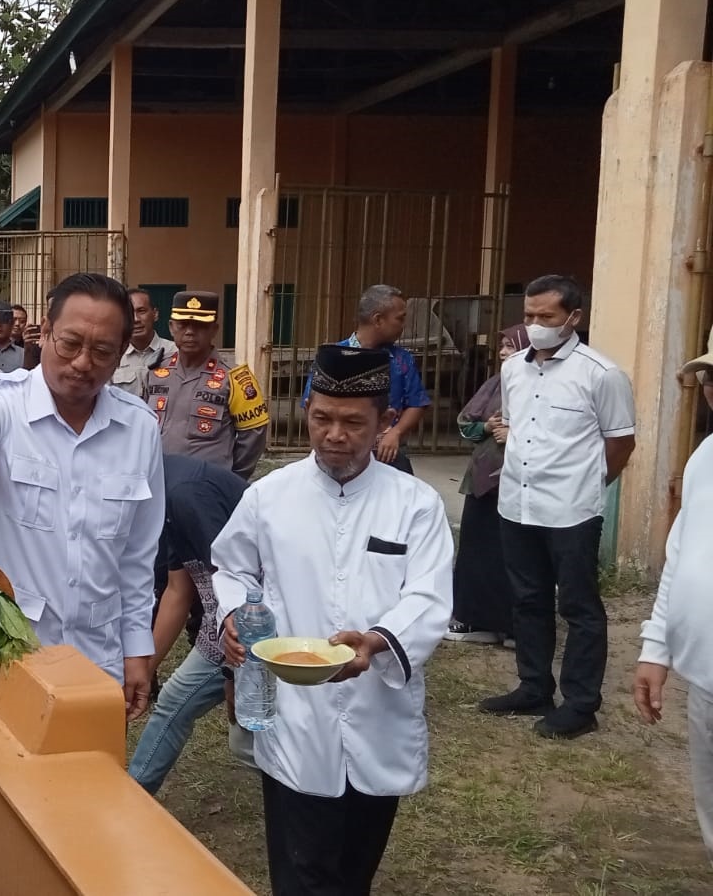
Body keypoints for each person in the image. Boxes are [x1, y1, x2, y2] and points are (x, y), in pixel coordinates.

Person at [215, 342, 453, 896]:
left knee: (354, 870)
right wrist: (233, 615)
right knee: (301, 870)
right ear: (306, 411)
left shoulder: (415, 504)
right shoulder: (269, 496)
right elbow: (230, 567)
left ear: (384, 421)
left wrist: (374, 642)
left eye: (352, 422)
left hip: (378, 707)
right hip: (297, 711)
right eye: (321, 418)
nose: (334, 435)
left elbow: (429, 597)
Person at [0, 272, 163, 717]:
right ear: (45, 333)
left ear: (122, 351)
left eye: (102, 351)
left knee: (85, 777)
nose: (83, 363)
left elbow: (137, 558)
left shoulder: (139, 428)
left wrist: (137, 649)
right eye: (70, 343)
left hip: (95, 658)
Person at [480, 274, 636, 740]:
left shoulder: (601, 374)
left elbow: (621, 443)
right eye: (529, 316)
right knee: (527, 599)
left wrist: (588, 485)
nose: (535, 325)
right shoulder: (514, 370)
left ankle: (581, 703)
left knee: (578, 606)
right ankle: (534, 686)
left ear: (574, 318)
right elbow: (515, 425)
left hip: (572, 510)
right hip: (518, 503)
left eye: (546, 317)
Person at [127, 452, 253, 794]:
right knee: (174, 705)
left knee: (247, 741)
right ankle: (133, 796)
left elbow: (234, 587)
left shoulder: (186, 494)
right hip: (227, 628)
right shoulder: (162, 493)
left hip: (253, 626)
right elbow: (178, 591)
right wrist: (143, 668)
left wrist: (232, 672)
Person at [635, 328, 713, 860]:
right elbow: (682, 554)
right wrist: (656, 646)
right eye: (712, 377)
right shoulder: (707, 453)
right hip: (706, 676)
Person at [444, 325, 531, 645]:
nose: (504, 353)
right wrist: (486, 425)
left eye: (511, 346)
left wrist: (517, 436)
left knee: (516, 556)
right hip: (483, 483)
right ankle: (473, 620)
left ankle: (512, 627)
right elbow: (466, 423)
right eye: (504, 347)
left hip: (524, 484)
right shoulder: (495, 383)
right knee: (477, 551)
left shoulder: (545, 387)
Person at [300, 284, 430, 474]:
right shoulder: (333, 357)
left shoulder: (401, 359)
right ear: (378, 320)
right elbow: (310, 404)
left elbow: (417, 402)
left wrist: (395, 432)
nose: (404, 326)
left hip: (388, 453)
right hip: (341, 451)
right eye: (400, 319)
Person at [144, 291, 268, 479]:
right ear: (171, 327)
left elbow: (254, 436)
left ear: (214, 330)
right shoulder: (156, 371)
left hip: (206, 487)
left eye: (200, 326)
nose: (190, 332)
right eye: (183, 324)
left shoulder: (235, 378)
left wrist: (230, 480)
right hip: (157, 481)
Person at [111, 288, 176, 396]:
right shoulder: (114, 356)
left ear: (155, 314)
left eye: (141, 311)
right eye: (129, 313)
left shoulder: (174, 352)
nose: (136, 319)